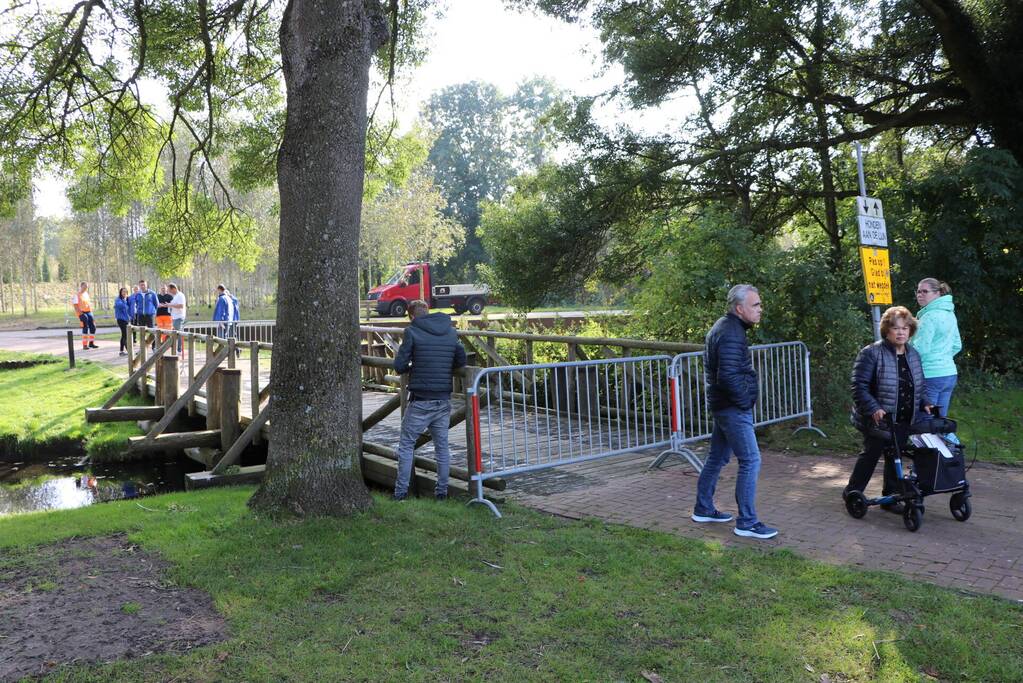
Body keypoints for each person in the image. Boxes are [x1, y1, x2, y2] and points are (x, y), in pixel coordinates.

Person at [692, 284, 778, 539]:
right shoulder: (731, 333)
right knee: (751, 460)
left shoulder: (726, 327)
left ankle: (703, 508)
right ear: (740, 308)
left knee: (717, 458)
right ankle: (747, 522)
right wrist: (745, 400)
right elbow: (728, 375)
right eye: (756, 305)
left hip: (723, 405)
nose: (760, 309)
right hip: (731, 407)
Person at [845, 306, 933, 511]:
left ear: (910, 330)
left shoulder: (913, 354)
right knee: (871, 455)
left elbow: (919, 384)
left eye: (905, 328)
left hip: (903, 418)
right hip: (878, 419)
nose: (901, 332)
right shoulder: (871, 353)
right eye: (895, 328)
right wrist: (873, 407)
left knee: (896, 456)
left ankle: (891, 497)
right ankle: (851, 493)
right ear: (887, 330)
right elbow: (859, 386)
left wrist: (925, 401)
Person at [392, 300, 467, 501]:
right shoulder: (450, 331)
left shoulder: (412, 331)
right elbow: (461, 359)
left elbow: (399, 365)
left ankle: (400, 494)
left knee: (406, 445)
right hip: (443, 398)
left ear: (412, 316)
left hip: (421, 399)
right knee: (442, 447)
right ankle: (441, 493)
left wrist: (413, 366)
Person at [913, 278, 963, 443]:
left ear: (938, 293)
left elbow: (920, 350)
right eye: (918, 291)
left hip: (930, 375)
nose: (920, 295)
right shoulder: (950, 314)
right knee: (941, 422)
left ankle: (923, 468)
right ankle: (948, 459)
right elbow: (957, 345)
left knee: (926, 424)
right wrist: (943, 357)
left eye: (925, 291)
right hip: (949, 373)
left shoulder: (929, 317)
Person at [213, 284, 241, 356]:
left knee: (223, 338)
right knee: (229, 337)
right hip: (230, 320)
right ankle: (234, 350)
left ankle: (223, 354)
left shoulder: (223, 299)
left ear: (219, 290)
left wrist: (220, 321)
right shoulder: (230, 299)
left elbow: (221, 310)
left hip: (227, 320)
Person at [71, 281, 97, 350]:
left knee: (93, 327)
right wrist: (81, 314)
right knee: (85, 327)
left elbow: (88, 304)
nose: (86, 288)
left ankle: (91, 343)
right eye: (84, 286)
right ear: (81, 286)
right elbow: (76, 306)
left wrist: (91, 313)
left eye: (87, 287)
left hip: (89, 311)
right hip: (82, 313)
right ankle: (84, 345)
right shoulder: (77, 295)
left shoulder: (86, 294)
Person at [134, 280, 159, 349]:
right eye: (141, 285)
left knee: (152, 332)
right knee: (142, 333)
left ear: (146, 285)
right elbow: (136, 303)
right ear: (139, 286)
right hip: (140, 316)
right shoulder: (137, 294)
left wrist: (153, 312)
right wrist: (139, 310)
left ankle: (154, 347)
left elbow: (156, 304)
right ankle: (142, 348)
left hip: (150, 316)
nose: (142, 286)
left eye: (144, 285)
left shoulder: (152, 293)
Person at [166, 282, 186, 353]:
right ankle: (176, 348)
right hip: (174, 317)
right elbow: (174, 305)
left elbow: (181, 306)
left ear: (174, 288)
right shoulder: (175, 296)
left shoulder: (180, 295)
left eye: (170, 290)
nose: (169, 292)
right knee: (175, 333)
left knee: (178, 333)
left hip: (179, 317)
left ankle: (179, 350)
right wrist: (168, 305)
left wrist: (171, 305)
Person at [114, 287, 131, 356]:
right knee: (125, 335)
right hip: (121, 320)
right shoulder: (118, 299)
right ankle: (126, 351)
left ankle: (122, 351)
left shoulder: (126, 300)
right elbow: (121, 306)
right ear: (120, 292)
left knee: (124, 335)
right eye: (123, 292)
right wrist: (125, 301)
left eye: (126, 292)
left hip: (126, 320)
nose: (124, 293)